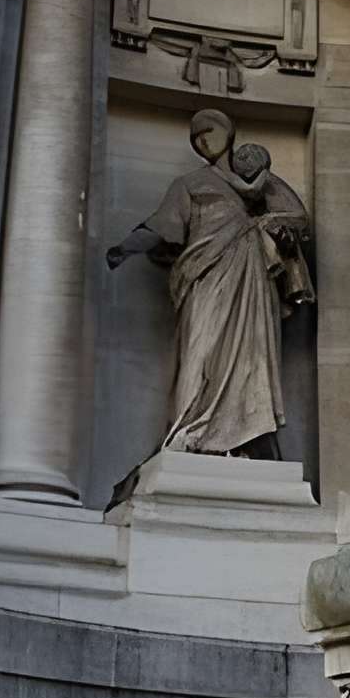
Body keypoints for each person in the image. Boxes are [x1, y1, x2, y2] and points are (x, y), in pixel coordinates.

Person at [107, 109, 312, 456]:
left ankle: (248, 435)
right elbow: (162, 226)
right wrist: (126, 247)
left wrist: (272, 216)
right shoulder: (189, 184)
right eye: (195, 136)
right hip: (205, 277)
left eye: (209, 130)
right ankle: (191, 428)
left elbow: (297, 218)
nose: (202, 139)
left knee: (252, 354)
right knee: (200, 351)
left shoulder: (259, 181)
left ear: (229, 133)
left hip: (249, 279)